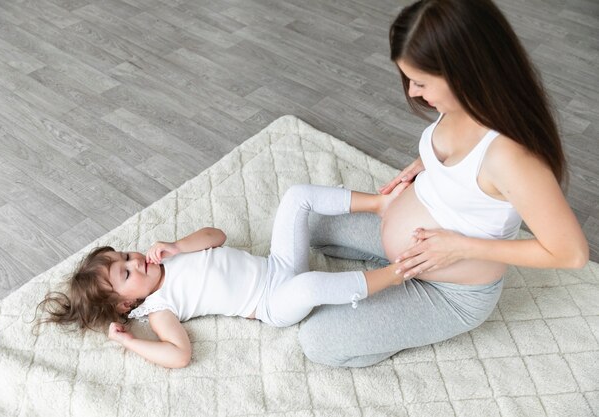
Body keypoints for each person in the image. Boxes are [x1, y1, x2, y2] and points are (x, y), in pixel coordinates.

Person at [297, 0, 589, 367]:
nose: (414, 92)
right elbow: (463, 161)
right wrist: (427, 162)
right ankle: (387, 272)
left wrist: (461, 248)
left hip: (450, 289)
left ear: (464, 73)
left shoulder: (512, 158)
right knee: (310, 222)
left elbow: (571, 254)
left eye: (420, 82)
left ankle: (407, 311)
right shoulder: (459, 107)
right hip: (403, 239)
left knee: (318, 340)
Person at [36, 184, 412, 368]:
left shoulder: (168, 255)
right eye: (127, 271)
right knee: (310, 286)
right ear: (126, 302)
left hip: (277, 264)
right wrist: (130, 343)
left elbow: (217, 236)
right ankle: (395, 274)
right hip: (273, 304)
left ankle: (381, 202)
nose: (136, 260)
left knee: (296, 197)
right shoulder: (161, 309)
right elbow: (179, 355)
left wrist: (180, 245)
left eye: (126, 255)